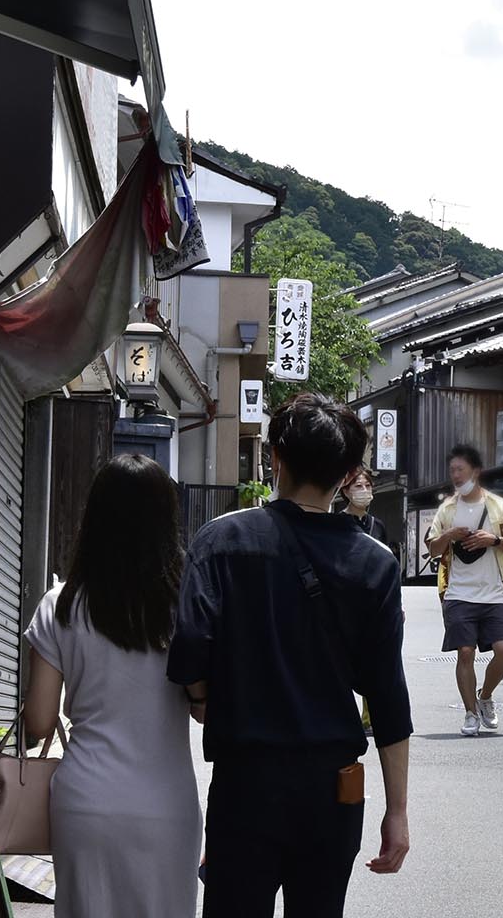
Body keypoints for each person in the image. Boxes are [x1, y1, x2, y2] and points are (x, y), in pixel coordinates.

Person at [169, 393, 412, 917]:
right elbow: (387, 694)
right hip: (333, 790)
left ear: (275, 457)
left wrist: (202, 697)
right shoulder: (374, 564)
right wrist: (398, 812)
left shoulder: (221, 540)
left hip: (245, 782)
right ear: (348, 475)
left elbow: (188, 646)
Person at [21, 454, 200, 918]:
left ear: (94, 516)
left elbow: (40, 723)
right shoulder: (185, 604)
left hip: (85, 801)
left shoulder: (60, 604)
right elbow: (205, 708)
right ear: (166, 520)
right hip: (166, 802)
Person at [424, 443, 503, 737]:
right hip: (458, 593)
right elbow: (432, 549)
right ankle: (470, 714)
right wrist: (449, 535)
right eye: (452, 470)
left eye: (460, 469)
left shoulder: (498, 506)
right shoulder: (448, 509)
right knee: (465, 652)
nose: (455, 475)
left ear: (475, 471)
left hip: (494, 593)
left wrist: (492, 540)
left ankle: (485, 697)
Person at [338, 467, 398, 738]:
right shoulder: (336, 524)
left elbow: (389, 566)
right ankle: (345, 713)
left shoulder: (378, 526)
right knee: (344, 659)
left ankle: (368, 715)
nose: (364, 491)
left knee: (374, 659)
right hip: (346, 600)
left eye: (367, 486)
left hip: (376, 600)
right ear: (345, 491)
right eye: (358, 486)